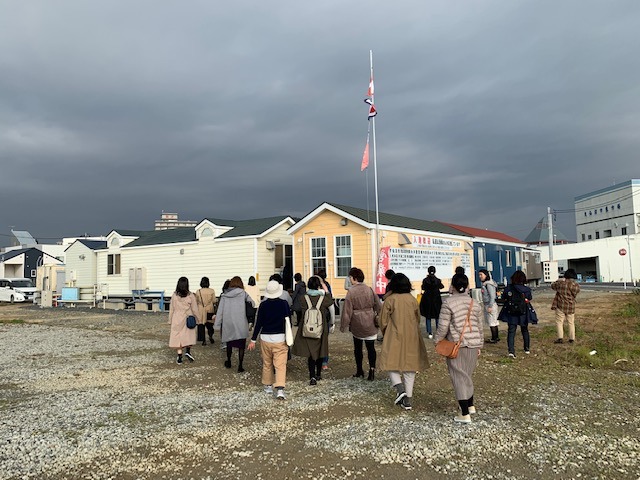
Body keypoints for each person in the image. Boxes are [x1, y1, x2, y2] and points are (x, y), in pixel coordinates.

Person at [434, 273, 483, 423]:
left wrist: (437, 340)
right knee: (466, 374)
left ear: (453, 286)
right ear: (467, 286)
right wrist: (480, 344)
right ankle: (470, 405)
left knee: (459, 377)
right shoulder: (474, 302)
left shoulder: (448, 303)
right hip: (473, 343)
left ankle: (464, 413)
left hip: (457, 344)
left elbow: (443, 326)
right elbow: (480, 326)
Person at [378, 273, 429, 411]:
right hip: (412, 334)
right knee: (410, 367)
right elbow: (417, 318)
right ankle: (408, 399)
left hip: (394, 334)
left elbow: (382, 320)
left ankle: (400, 390)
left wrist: (385, 331)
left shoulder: (390, 299)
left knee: (390, 363)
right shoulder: (412, 299)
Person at [248, 280, 291, 400]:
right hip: (280, 337)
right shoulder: (284, 304)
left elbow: (258, 323)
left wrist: (253, 339)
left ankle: (268, 386)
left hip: (265, 337)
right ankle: (280, 389)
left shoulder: (263, 305)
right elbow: (288, 321)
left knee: (267, 363)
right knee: (280, 364)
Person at [290, 275, 334, 385]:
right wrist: (325, 289)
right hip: (320, 327)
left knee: (310, 354)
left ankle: (312, 376)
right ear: (319, 286)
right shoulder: (323, 299)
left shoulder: (303, 298)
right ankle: (318, 374)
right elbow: (330, 301)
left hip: (307, 328)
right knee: (320, 351)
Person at [340, 267, 382, 381]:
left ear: (354, 278)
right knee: (371, 348)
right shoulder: (369, 289)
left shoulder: (351, 292)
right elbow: (378, 305)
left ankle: (359, 370)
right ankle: (372, 370)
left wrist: (343, 325)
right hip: (370, 320)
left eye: (350, 277)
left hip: (357, 322)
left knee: (358, 348)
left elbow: (347, 311)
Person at [214, 276, 256, 372]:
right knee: (241, 346)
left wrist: (217, 324)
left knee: (229, 343)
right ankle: (240, 366)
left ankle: (229, 361)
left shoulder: (225, 295)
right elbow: (253, 303)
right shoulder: (243, 293)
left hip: (228, 323)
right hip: (241, 323)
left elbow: (220, 311)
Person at [498, 270, 533, 358]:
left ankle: (511, 351)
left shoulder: (508, 288)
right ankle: (526, 348)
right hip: (523, 312)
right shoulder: (526, 289)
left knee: (511, 331)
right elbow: (529, 298)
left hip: (511, 312)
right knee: (524, 330)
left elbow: (503, 298)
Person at [168, 277, 200, 364]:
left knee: (178, 336)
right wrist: (198, 319)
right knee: (188, 336)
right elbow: (195, 309)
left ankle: (179, 356)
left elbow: (171, 309)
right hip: (188, 317)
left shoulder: (174, 295)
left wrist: (170, 320)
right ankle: (188, 351)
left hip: (176, 317)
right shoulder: (191, 295)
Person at [551, 269, 581, 344]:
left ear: (565, 276)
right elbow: (577, 290)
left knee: (559, 322)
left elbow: (552, 286)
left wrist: (558, 280)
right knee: (571, 323)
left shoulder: (560, 284)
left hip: (560, 306)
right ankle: (572, 338)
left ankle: (560, 338)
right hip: (571, 306)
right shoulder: (576, 286)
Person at [420, 266, 444, 339]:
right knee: (437, 316)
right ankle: (438, 331)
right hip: (436, 300)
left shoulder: (425, 280)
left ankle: (430, 332)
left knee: (428, 316)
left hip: (427, 300)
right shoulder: (438, 280)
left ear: (428, 271)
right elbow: (442, 286)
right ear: (435, 271)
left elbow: (423, 288)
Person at [478, 269, 500, 343]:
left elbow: (492, 296)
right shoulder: (486, 284)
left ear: (486, 275)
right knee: (494, 321)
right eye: (479, 275)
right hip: (489, 304)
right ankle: (496, 337)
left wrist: (490, 306)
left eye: (481, 275)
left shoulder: (488, 284)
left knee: (492, 322)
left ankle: (494, 338)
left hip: (490, 304)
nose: (480, 276)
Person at [195, 277, 217, 346]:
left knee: (201, 325)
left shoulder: (198, 291)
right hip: (209, 309)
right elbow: (214, 300)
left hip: (201, 310)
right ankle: (210, 336)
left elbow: (196, 301)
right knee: (210, 324)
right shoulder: (212, 291)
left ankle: (203, 340)